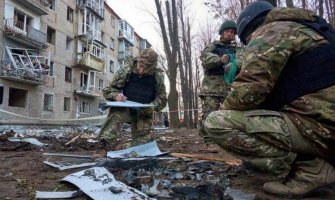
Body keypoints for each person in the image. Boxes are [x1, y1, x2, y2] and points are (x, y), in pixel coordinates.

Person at [203, 1, 335, 197]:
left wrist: (226, 108)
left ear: (249, 30)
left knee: (215, 122)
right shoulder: (315, 31)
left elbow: (249, 90)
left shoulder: (271, 31)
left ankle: (309, 168)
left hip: (321, 128)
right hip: (325, 122)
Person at [94, 48, 167, 158]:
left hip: (144, 112)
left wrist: (153, 106)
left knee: (142, 148)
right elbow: (108, 90)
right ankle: (103, 146)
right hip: (125, 108)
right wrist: (116, 96)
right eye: (140, 66)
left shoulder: (157, 77)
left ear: (152, 67)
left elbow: (162, 98)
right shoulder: (126, 71)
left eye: (146, 68)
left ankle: (122, 147)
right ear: (138, 61)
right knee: (116, 114)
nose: (142, 70)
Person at [199, 20, 237, 144]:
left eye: (232, 32)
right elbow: (204, 58)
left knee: (229, 115)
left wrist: (235, 64)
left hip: (229, 87)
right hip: (212, 88)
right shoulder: (213, 46)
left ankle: (225, 141)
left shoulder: (237, 49)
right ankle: (209, 141)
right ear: (221, 32)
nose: (230, 34)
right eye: (227, 31)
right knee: (209, 114)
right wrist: (219, 60)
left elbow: (244, 60)